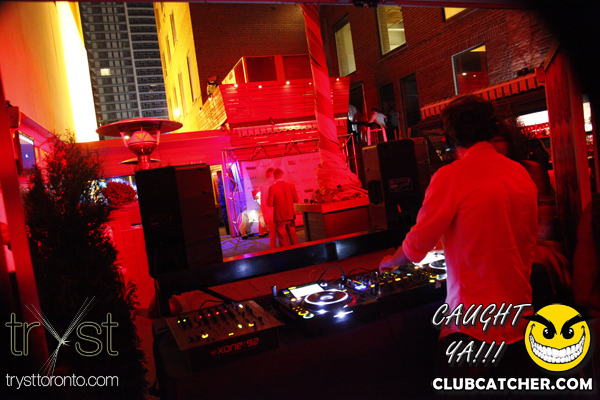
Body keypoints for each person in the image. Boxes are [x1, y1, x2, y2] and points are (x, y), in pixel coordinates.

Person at [379, 95, 538, 376]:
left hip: (474, 328)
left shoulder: (452, 176)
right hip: (520, 320)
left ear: (449, 136)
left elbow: (418, 243)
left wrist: (390, 262)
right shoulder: (520, 173)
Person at [267, 169, 299, 248]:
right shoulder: (291, 186)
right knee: (293, 237)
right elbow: (296, 200)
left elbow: (269, 204)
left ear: (274, 177)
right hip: (290, 215)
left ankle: (286, 254)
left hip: (279, 217)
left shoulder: (272, 188)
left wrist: (277, 203)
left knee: (282, 239)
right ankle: (297, 252)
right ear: (283, 175)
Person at [258, 168, 277, 248]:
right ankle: (273, 251)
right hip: (271, 215)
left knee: (282, 235)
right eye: (274, 175)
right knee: (272, 236)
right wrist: (265, 216)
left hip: (278, 214)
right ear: (271, 176)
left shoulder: (275, 185)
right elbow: (263, 202)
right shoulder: (264, 187)